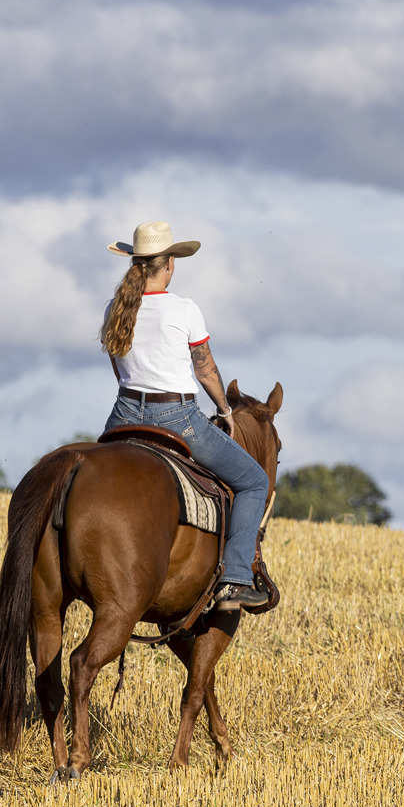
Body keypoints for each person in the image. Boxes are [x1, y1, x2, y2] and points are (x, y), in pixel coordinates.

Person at [99, 220, 270, 611]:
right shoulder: (184, 309)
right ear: (170, 264)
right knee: (254, 482)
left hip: (123, 415)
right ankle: (235, 579)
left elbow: (118, 368)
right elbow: (206, 370)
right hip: (177, 417)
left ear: (133, 262)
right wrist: (225, 411)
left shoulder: (115, 308)